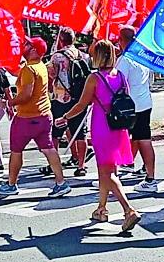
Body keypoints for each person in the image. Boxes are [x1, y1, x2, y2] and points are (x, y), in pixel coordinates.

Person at [56, 39, 142, 232]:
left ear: (98, 56)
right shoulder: (120, 75)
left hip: (102, 126)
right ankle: (101, 209)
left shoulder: (94, 78)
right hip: (119, 126)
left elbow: (81, 104)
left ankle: (129, 210)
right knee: (107, 170)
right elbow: (125, 98)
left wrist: (65, 117)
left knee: (107, 172)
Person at [0, 37, 71, 198]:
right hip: (44, 115)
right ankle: (61, 182)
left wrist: (9, 102)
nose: (24, 45)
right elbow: (20, 75)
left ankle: (11, 184)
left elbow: (26, 95)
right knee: (49, 149)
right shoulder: (40, 66)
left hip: (27, 118)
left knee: (16, 151)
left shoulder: (29, 69)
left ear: (34, 50)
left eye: (27, 44)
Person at [116, 25, 158, 193]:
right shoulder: (142, 56)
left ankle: (148, 179)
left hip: (130, 106)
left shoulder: (126, 59)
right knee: (140, 138)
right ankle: (135, 168)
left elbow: (118, 82)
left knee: (127, 139)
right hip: (144, 103)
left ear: (121, 40)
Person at [48, 27, 90, 176]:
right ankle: (81, 165)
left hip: (61, 97)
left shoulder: (57, 57)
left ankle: (54, 164)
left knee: (56, 132)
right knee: (80, 132)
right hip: (79, 98)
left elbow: (51, 75)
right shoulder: (83, 55)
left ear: (60, 39)